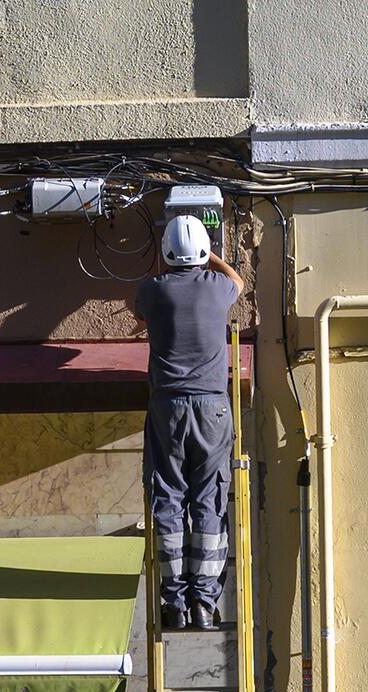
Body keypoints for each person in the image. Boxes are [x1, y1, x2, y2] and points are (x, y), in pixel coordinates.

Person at [130, 214, 244, 630]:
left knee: (169, 501)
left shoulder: (153, 291)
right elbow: (238, 281)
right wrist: (212, 256)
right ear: (203, 250)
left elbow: (138, 310)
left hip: (168, 408)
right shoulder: (218, 287)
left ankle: (174, 604)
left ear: (165, 251)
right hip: (213, 409)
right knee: (209, 501)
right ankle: (204, 603)